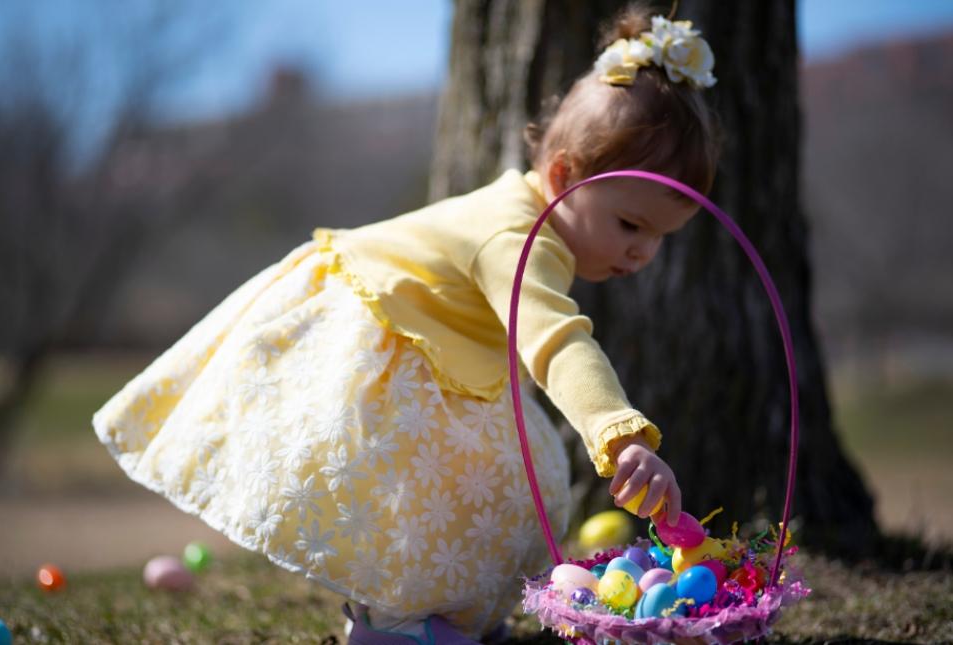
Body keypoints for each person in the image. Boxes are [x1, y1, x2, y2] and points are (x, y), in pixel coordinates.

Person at [93, 5, 720, 643]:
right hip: (376, 340)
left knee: (515, 478)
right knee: (444, 494)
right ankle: (396, 624)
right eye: (630, 225)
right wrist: (621, 437)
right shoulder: (518, 236)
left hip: (422, 351)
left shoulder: (529, 217)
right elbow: (554, 338)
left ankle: (447, 616)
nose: (643, 252)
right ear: (562, 176)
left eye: (660, 237)